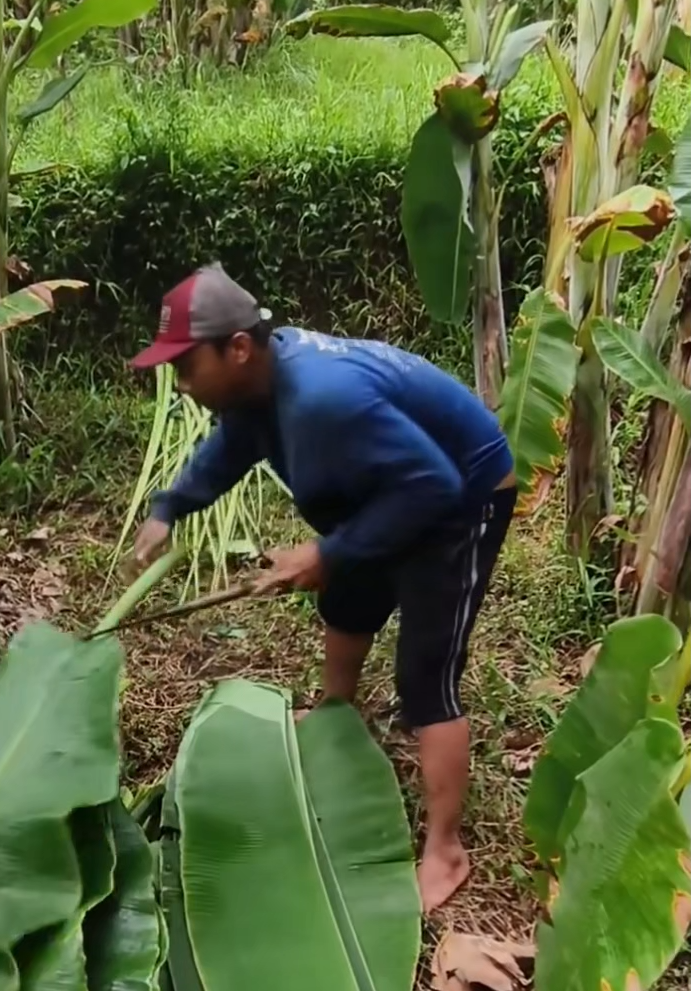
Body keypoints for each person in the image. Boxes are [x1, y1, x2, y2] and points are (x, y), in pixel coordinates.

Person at [128, 264, 516, 914]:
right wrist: (171, 505)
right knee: (347, 598)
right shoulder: (257, 390)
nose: (183, 384)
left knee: (426, 671)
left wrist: (328, 550)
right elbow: (229, 450)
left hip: (460, 497)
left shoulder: (321, 401)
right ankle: (338, 716)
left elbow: (433, 489)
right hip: (393, 486)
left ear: (239, 348)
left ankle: (446, 849)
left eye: (187, 366)